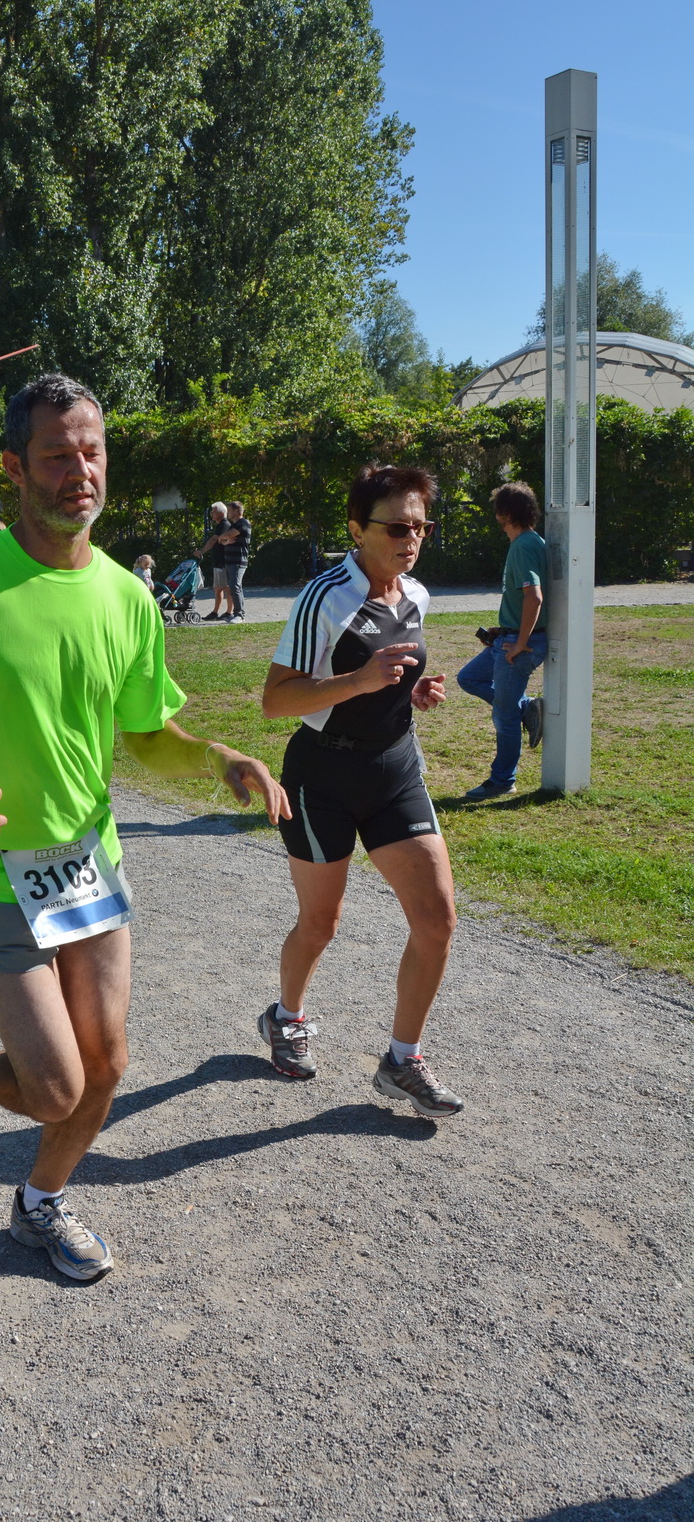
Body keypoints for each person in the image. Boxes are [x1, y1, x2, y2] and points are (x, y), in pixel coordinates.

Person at [0, 372, 288, 1283]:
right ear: (16, 467)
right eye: (56, 455)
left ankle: (39, 1201)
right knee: (54, 1084)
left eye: (89, 451)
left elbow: (144, 735)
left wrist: (217, 759)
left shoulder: (127, 598)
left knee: (106, 1068)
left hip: (89, 865)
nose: (77, 472)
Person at [259, 462, 464, 1121]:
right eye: (398, 526)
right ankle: (285, 1018)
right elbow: (275, 700)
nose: (412, 537)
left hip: (394, 769)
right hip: (321, 775)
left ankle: (402, 1060)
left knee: (436, 920)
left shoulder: (417, 595)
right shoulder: (325, 597)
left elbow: (392, 674)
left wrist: (411, 689)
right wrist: (361, 681)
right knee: (321, 922)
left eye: (421, 525)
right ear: (356, 528)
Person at [456, 481, 548, 799]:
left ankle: (502, 780)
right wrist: (502, 630)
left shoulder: (524, 545)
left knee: (503, 716)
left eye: (498, 509)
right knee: (468, 678)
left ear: (505, 513)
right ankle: (527, 708)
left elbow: (533, 598)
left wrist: (521, 642)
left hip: (519, 643)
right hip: (507, 637)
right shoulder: (528, 542)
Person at [195, 502, 231, 620]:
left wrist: (202, 551)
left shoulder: (224, 524)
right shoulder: (219, 525)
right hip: (218, 561)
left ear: (221, 512)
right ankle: (215, 612)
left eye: (214, 511)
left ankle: (229, 612)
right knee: (217, 588)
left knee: (226, 587)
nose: (212, 514)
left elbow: (214, 540)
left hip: (224, 561)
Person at [221, 499, 252, 624]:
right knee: (233, 587)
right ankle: (236, 613)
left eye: (229, 510)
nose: (227, 513)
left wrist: (225, 538)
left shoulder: (243, 523)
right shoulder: (234, 525)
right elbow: (222, 539)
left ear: (236, 511)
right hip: (229, 561)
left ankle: (240, 614)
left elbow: (226, 536)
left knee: (235, 586)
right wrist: (226, 540)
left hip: (238, 561)